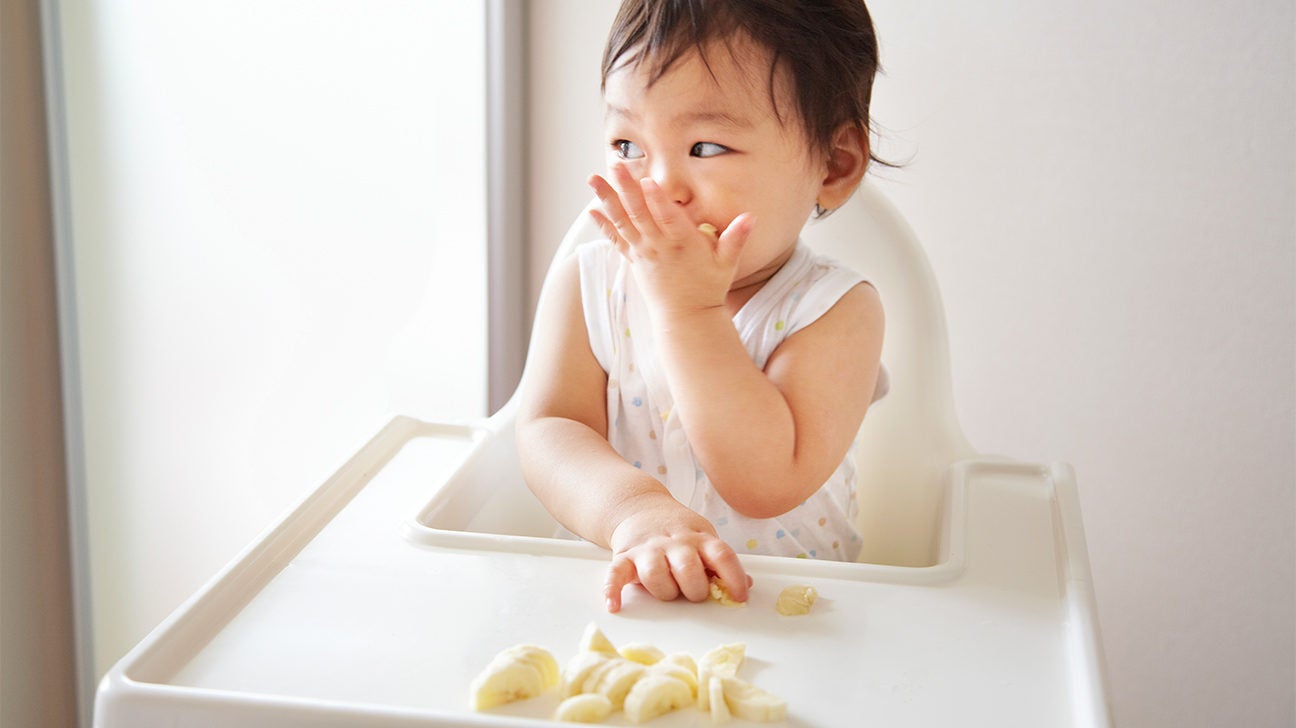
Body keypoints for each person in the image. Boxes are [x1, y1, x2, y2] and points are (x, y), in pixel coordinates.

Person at [516, 0, 887, 613]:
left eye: (707, 148)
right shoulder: (592, 282)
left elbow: (764, 482)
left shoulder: (834, 312)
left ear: (834, 164)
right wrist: (633, 511)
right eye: (628, 143)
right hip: (619, 599)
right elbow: (549, 430)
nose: (660, 186)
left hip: (789, 612)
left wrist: (689, 312)